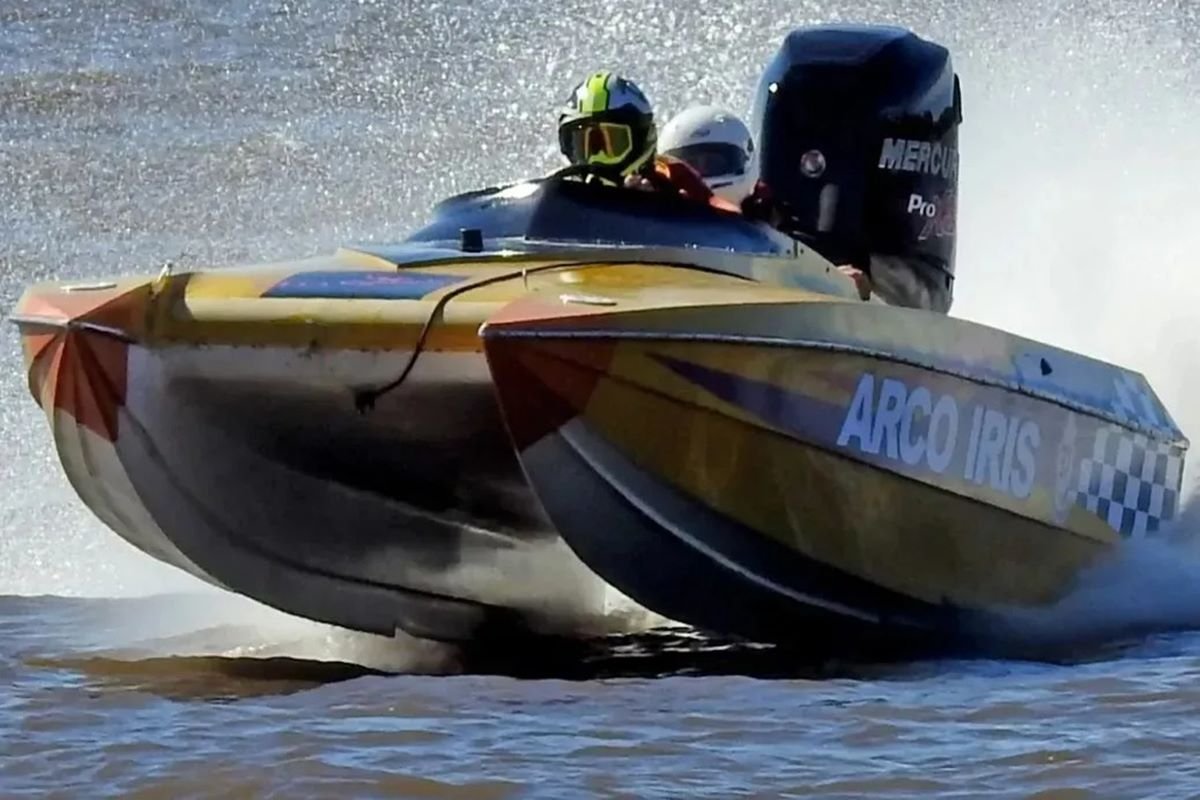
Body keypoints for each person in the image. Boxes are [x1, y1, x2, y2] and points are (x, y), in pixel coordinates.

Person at [556, 72, 741, 214]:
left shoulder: (671, 178)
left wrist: (665, 209)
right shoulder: (559, 189)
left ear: (642, 139)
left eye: (613, 142)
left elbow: (731, 221)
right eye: (584, 145)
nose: (597, 157)